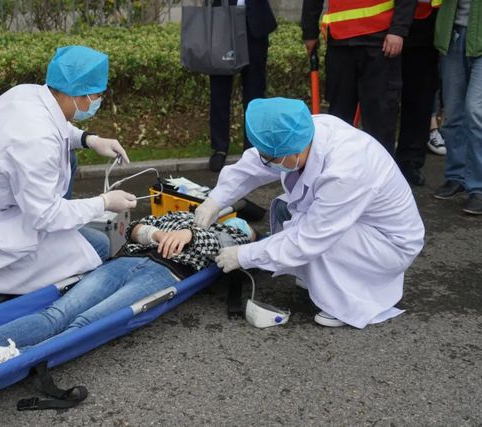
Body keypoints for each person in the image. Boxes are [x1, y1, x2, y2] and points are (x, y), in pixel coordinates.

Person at [195, 97, 425, 329]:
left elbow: (311, 237)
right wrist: (216, 200)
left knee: (314, 234)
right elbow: (254, 164)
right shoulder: (300, 132)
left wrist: (244, 255)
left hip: (389, 244)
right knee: (286, 208)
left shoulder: (345, 171)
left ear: (292, 151)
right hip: (360, 223)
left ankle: (345, 304)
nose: (265, 162)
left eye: (269, 158)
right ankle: (319, 278)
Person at [0, 46, 138, 302]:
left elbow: (59, 127)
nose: (98, 102)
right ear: (77, 93)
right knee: (100, 246)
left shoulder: (28, 93)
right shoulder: (36, 140)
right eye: (96, 95)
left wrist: (89, 139)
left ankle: (55, 242)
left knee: (68, 157)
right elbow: (46, 215)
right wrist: (104, 202)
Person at [0, 212, 254, 373]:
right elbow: (135, 228)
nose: (236, 227)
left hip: (164, 274)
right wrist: (156, 233)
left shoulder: (227, 235)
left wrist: (192, 236)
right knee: (56, 313)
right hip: (126, 260)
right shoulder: (183, 216)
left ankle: (11, 357)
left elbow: (230, 246)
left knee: (86, 322)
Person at [301, 0, 416, 154]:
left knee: (380, 118)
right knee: (339, 119)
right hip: (340, 42)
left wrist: (398, 30)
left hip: (380, 42)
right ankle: (339, 165)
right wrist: (309, 31)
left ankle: (379, 167)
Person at [208, 0, 277, 172]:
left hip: (254, 26)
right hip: (222, 23)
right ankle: (219, 148)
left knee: (255, 93)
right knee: (219, 92)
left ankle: (252, 147)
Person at [433, 0, 482, 215]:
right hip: (453, 34)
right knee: (453, 113)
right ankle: (456, 176)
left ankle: (478, 187)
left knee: (475, 111)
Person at [395, 1, 441, 186]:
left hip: (425, 26)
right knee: (381, 102)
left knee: (419, 99)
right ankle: (380, 158)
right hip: (385, 25)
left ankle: (410, 162)